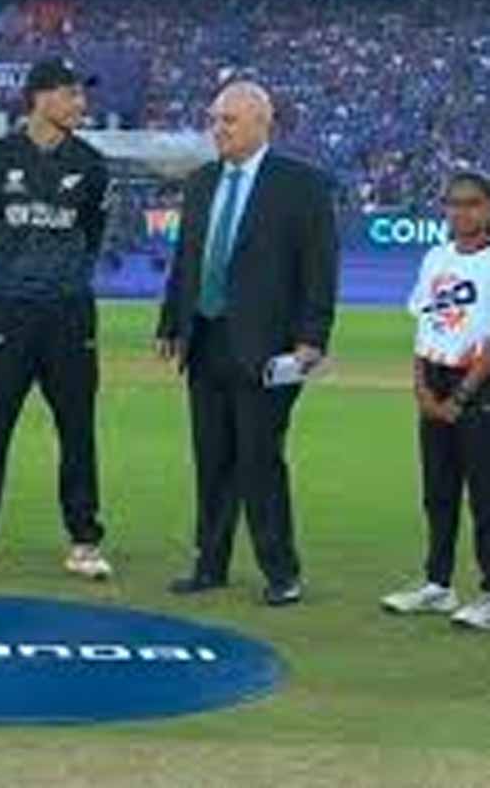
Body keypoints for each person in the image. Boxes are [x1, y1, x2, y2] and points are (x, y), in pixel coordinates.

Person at [0, 58, 114, 581]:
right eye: (72, 94)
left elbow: (93, 236)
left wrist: (58, 279)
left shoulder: (91, 164)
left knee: (77, 428)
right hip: (8, 310)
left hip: (69, 312)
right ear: (41, 97)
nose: (80, 104)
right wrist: (18, 277)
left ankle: (85, 542)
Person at [156, 81, 338, 606]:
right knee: (211, 460)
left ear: (263, 123)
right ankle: (209, 564)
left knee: (260, 461)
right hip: (206, 339)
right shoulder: (201, 182)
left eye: (229, 121)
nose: (218, 129)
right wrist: (171, 323)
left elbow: (320, 267)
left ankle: (281, 572)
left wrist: (312, 339)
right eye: (215, 119)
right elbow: (187, 259)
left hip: (269, 349)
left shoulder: (301, 185)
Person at [381, 172, 490, 630]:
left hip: (478, 385)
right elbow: (425, 325)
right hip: (436, 377)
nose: (461, 211)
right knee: (438, 493)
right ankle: (438, 584)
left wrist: (461, 397)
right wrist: (422, 389)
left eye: (472, 203)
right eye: (453, 203)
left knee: (484, 496)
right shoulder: (435, 258)